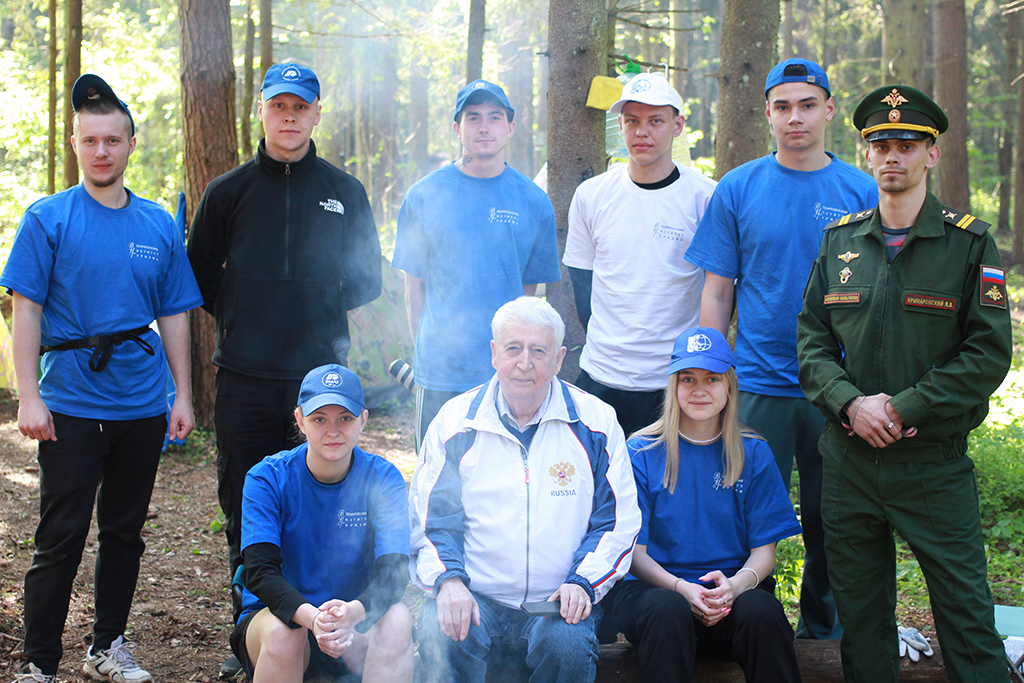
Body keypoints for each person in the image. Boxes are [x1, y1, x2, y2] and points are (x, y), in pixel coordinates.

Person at [796, 85, 1012, 683]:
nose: (893, 155)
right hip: (849, 463)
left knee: (967, 618)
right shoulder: (840, 242)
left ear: (931, 154)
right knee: (862, 623)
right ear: (867, 154)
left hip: (932, 464)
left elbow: (988, 353)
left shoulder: (970, 244)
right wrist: (850, 405)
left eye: (908, 145)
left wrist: (905, 407)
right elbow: (811, 342)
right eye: (881, 144)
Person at [4, 74, 202, 683]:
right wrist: (29, 396)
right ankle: (40, 664)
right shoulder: (48, 219)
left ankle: (106, 647)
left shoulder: (157, 225)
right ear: (74, 143)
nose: (101, 151)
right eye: (89, 140)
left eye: (112, 140)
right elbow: (25, 309)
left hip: (141, 405)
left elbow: (174, 314)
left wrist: (182, 395)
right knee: (60, 536)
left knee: (124, 533)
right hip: (69, 402)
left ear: (130, 145)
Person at [186, 62, 383, 674]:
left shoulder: (345, 191)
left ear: (317, 112)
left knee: (323, 503)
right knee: (244, 505)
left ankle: (323, 623)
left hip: (323, 383)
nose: (290, 117)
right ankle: (250, 629)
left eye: (301, 107)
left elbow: (367, 279)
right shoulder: (228, 192)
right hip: (246, 377)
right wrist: (244, 312)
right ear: (263, 111)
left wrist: (316, 313)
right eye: (279, 106)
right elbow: (200, 272)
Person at [685, 58, 878, 639]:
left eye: (808, 105)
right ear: (768, 113)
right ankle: (749, 628)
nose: (796, 117)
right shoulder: (739, 187)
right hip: (756, 384)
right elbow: (717, 291)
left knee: (832, 519)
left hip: (838, 390)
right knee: (742, 517)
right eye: (783, 106)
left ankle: (825, 635)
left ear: (829, 110)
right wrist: (711, 376)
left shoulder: (861, 189)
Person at [408, 297, 641, 683]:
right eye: (513, 348)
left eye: (539, 351)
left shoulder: (596, 423)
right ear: (494, 353)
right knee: (439, 630)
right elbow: (431, 520)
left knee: (567, 646)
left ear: (559, 358)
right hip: (476, 596)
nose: (524, 362)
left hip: (558, 600)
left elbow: (617, 520)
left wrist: (582, 582)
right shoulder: (455, 424)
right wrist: (449, 580)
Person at [600, 327, 803, 683]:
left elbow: (764, 554)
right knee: (667, 610)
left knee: (762, 611)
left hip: (730, 595)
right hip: (657, 596)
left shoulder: (753, 452)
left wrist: (734, 588)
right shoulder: (641, 452)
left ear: (729, 385)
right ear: (673, 385)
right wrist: (681, 588)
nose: (699, 390)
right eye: (688, 379)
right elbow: (634, 554)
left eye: (712, 378)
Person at [392, 80, 560, 450]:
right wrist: (426, 354)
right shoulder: (424, 195)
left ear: (510, 127)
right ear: (457, 128)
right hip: (441, 372)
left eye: (494, 117)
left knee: (501, 475)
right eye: (473, 118)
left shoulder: (533, 201)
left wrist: (514, 355)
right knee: (437, 476)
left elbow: (527, 293)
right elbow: (413, 285)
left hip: (506, 373)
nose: (484, 127)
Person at [232, 364, 412, 683]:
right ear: (300, 420)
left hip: (355, 623)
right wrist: (313, 619)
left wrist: (354, 612)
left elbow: (394, 572)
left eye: (345, 418)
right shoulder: (267, 478)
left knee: (397, 620)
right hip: (285, 620)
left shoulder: (384, 478)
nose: (333, 431)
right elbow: (259, 572)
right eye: (319, 419)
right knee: (285, 633)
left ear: (363, 420)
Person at [563, 72, 717, 437]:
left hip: (673, 379)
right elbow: (582, 283)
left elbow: (722, 290)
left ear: (677, 125)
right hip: (601, 376)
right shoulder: (591, 195)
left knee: (669, 474)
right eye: (632, 121)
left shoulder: (706, 197)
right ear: (620, 125)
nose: (641, 132)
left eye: (655, 121)